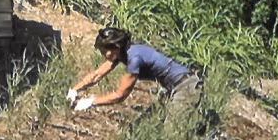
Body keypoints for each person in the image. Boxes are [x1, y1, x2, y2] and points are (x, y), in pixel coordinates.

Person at [67, 27, 203, 124]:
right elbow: (97, 75)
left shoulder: (134, 58)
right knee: (144, 126)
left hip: (186, 85)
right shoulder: (121, 53)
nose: (103, 54)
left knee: (172, 131)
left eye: (104, 51)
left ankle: (210, 137)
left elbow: (120, 95)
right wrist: (75, 89)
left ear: (115, 47)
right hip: (171, 87)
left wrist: (91, 102)